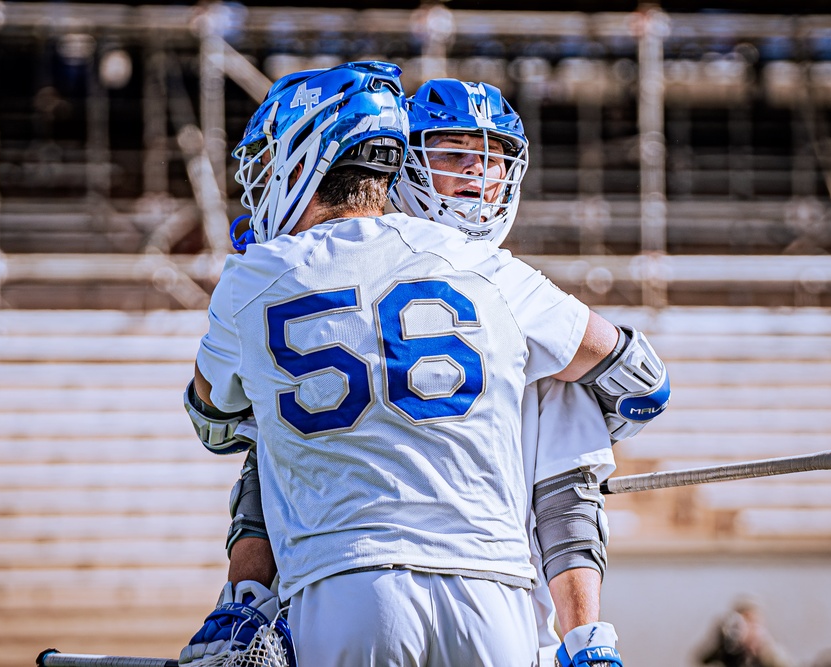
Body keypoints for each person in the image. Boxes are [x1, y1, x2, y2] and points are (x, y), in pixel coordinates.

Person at [183, 61, 670, 667]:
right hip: (497, 593)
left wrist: (248, 598)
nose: (475, 173)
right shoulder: (498, 280)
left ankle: (243, 600)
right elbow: (640, 382)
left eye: (491, 157)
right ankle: (590, 638)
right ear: (400, 160)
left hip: (346, 579)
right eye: (452, 152)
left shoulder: (259, 272)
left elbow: (218, 420)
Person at [698, 598, 792, 667]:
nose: (748, 627)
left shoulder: (766, 647)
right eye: (745, 620)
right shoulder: (728, 645)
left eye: (753, 621)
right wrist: (723, 641)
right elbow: (702, 659)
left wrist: (760, 648)